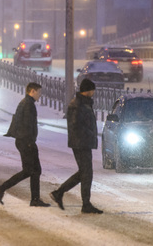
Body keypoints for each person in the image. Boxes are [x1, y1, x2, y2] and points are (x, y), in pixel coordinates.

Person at [50, 78, 103, 214]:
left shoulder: (84, 103)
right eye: (92, 90)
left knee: (84, 173)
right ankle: (85, 204)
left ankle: (60, 193)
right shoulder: (78, 104)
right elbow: (76, 125)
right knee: (86, 173)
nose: (94, 92)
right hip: (81, 143)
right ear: (88, 90)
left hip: (83, 142)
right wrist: (88, 134)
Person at [0, 82, 49, 207]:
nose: (40, 95)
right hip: (26, 141)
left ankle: (35, 198)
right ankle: (2, 188)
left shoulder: (26, 103)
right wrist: (29, 142)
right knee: (30, 170)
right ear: (32, 91)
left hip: (25, 141)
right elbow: (26, 125)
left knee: (35, 170)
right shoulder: (28, 104)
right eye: (39, 92)